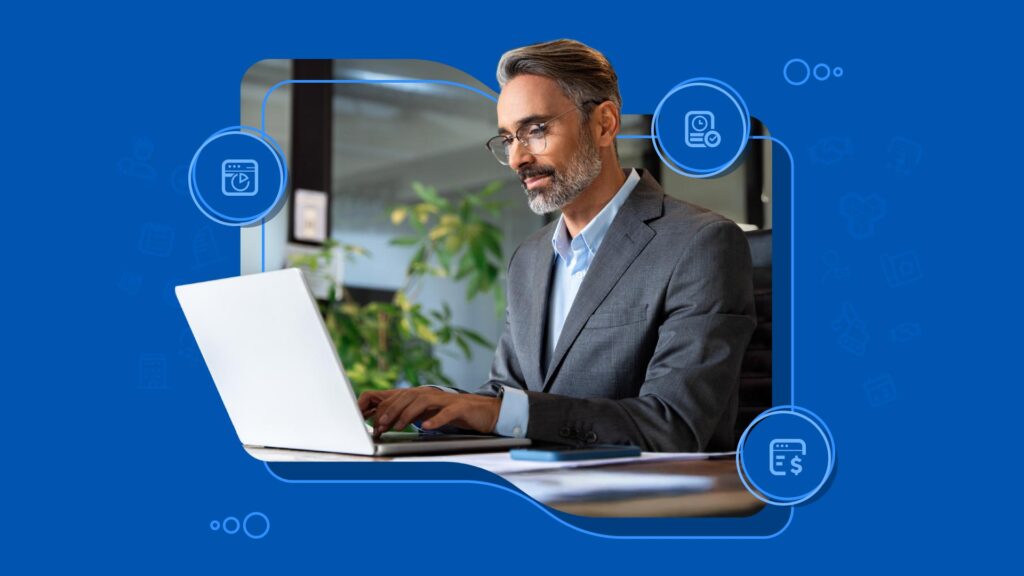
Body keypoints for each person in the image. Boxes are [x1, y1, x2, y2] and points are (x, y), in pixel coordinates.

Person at [358, 39, 755, 452]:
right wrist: (436, 405)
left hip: (639, 504)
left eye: (536, 130)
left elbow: (673, 425)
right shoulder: (529, 258)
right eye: (508, 139)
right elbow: (508, 393)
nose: (517, 158)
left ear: (604, 124)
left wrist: (495, 412)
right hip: (535, 489)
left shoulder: (700, 243)